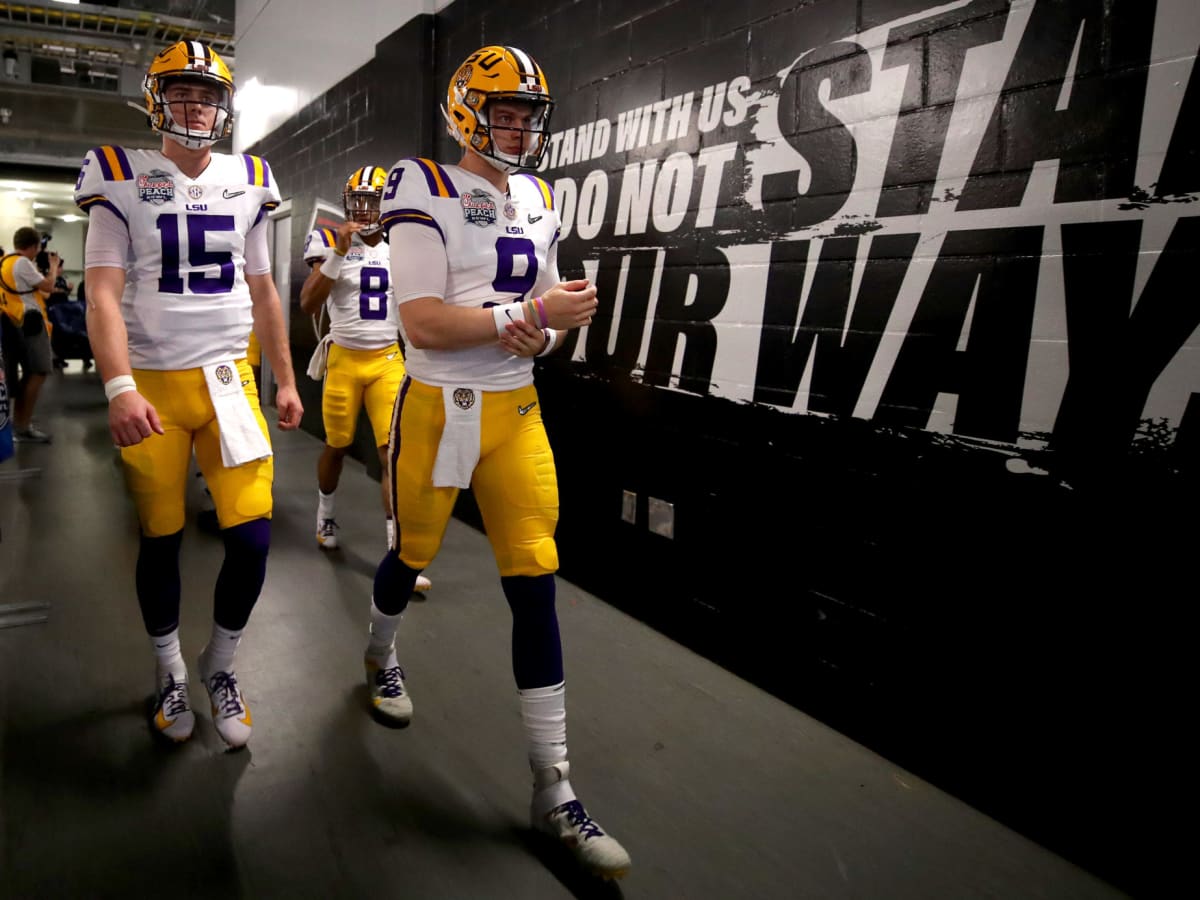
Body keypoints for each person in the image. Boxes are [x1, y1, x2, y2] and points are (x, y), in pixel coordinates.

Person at [366, 45, 630, 880]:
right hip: (439, 402)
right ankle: (379, 650)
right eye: (502, 112)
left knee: (535, 574)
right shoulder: (421, 183)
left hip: (516, 408)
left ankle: (553, 787)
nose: (515, 127)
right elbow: (424, 324)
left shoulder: (540, 196)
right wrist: (525, 313)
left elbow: (546, 321)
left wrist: (548, 330)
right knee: (411, 555)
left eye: (525, 115)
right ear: (465, 112)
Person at [76, 39, 303, 749]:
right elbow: (102, 292)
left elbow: (264, 288)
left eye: (207, 95)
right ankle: (170, 669)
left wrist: (288, 377)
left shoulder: (253, 177)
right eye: (181, 92)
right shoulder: (118, 174)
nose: (195, 106)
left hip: (229, 381)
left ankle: (221, 663)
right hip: (151, 383)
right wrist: (117, 387)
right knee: (161, 539)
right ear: (156, 100)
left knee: (254, 538)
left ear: (224, 107)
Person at [297, 167, 429, 589]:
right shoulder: (329, 240)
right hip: (345, 361)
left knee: (393, 452)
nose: (367, 208)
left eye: (375, 200)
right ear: (348, 201)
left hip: (388, 359)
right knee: (337, 446)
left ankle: (398, 549)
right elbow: (307, 303)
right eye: (361, 199)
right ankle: (325, 516)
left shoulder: (400, 247)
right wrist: (338, 252)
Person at [0, 227, 60, 441]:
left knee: (29, 373)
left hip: (15, 322)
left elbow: (37, 291)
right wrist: (53, 268)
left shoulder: (5, 262)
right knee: (39, 371)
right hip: (31, 323)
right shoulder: (22, 263)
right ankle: (22, 426)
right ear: (34, 246)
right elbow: (48, 286)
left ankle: (20, 424)